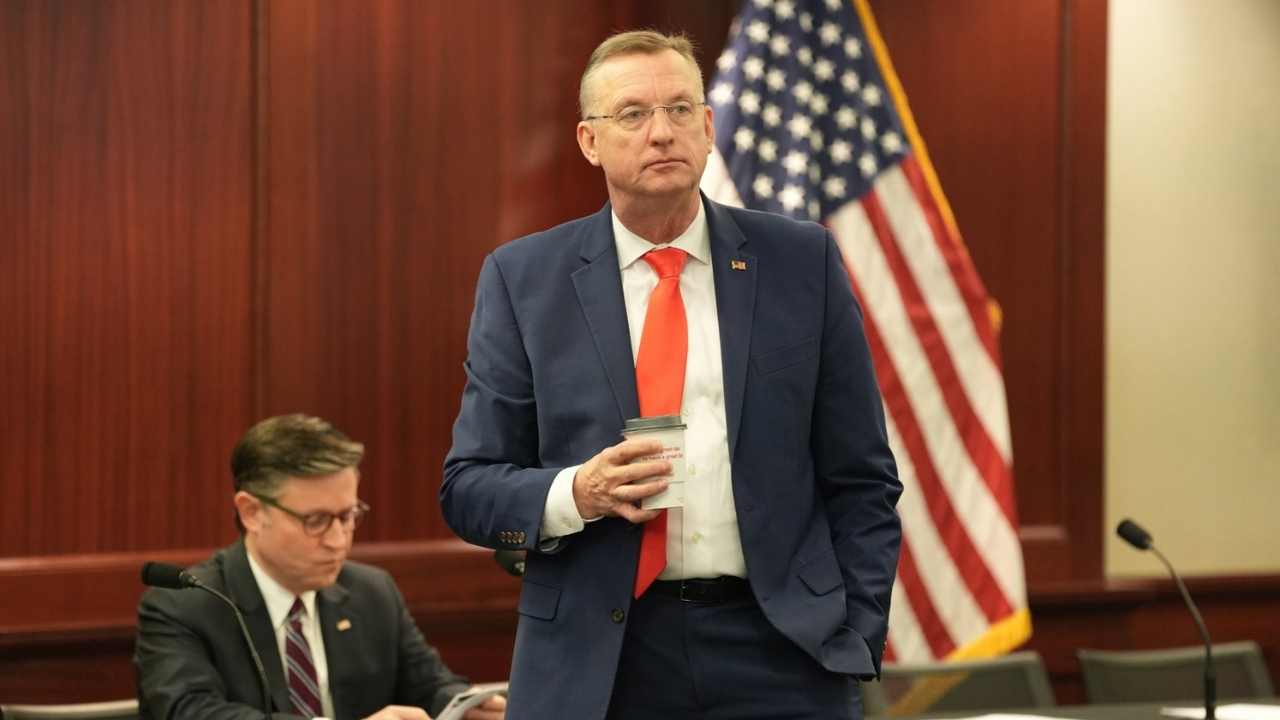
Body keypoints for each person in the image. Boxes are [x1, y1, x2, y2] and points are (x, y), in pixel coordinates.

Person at [441, 29, 901, 720]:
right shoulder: (524, 279)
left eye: (681, 109)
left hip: (783, 651)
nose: (661, 132)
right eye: (632, 114)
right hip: (601, 660)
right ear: (590, 141)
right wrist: (577, 492)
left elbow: (862, 477)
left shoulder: (801, 262)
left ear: (709, 128)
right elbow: (470, 488)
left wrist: (854, 633)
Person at [136, 414, 507, 720]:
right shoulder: (182, 606)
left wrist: (463, 705)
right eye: (316, 520)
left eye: (348, 516)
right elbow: (192, 712)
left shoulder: (371, 592)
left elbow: (429, 685)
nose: (338, 540)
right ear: (252, 512)